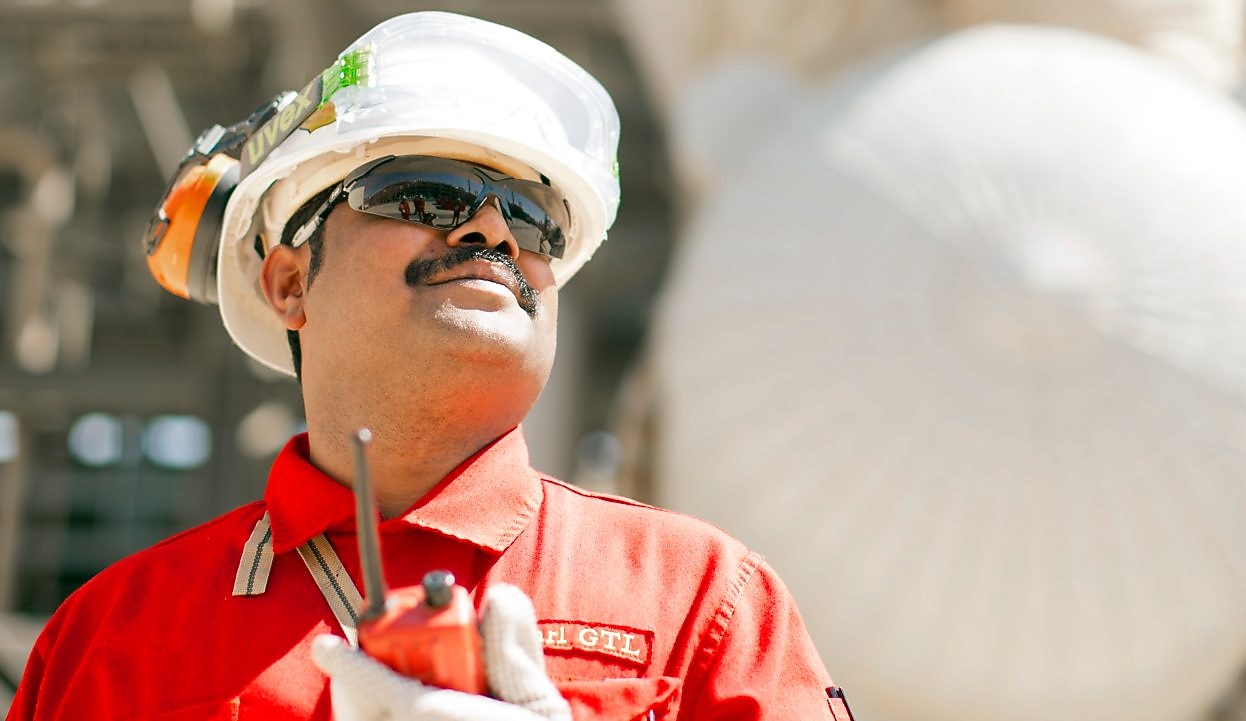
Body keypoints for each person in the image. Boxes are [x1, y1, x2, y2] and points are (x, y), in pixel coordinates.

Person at [6, 12, 847, 721]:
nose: (491, 232)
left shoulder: (705, 601)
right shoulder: (108, 642)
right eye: (427, 195)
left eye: (531, 217)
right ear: (291, 281)